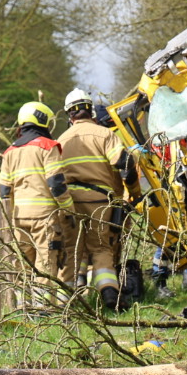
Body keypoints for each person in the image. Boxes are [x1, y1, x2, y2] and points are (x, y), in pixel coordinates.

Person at [55, 88, 136, 310]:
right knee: (101, 247)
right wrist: (133, 186)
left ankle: (64, 303)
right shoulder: (105, 135)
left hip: (69, 203)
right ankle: (109, 293)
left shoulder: (61, 140)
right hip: (99, 202)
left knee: (72, 249)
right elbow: (124, 163)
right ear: (90, 110)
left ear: (69, 114)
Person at [0, 101, 73, 303]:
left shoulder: (10, 151)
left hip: (17, 218)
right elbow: (56, 184)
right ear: (43, 121)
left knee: (22, 265)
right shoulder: (48, 147)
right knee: (45, 263)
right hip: (44, 217)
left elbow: (3, 191)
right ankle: (42, 309)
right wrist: (68, 210)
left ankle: (23, 309)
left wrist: (7, 220)